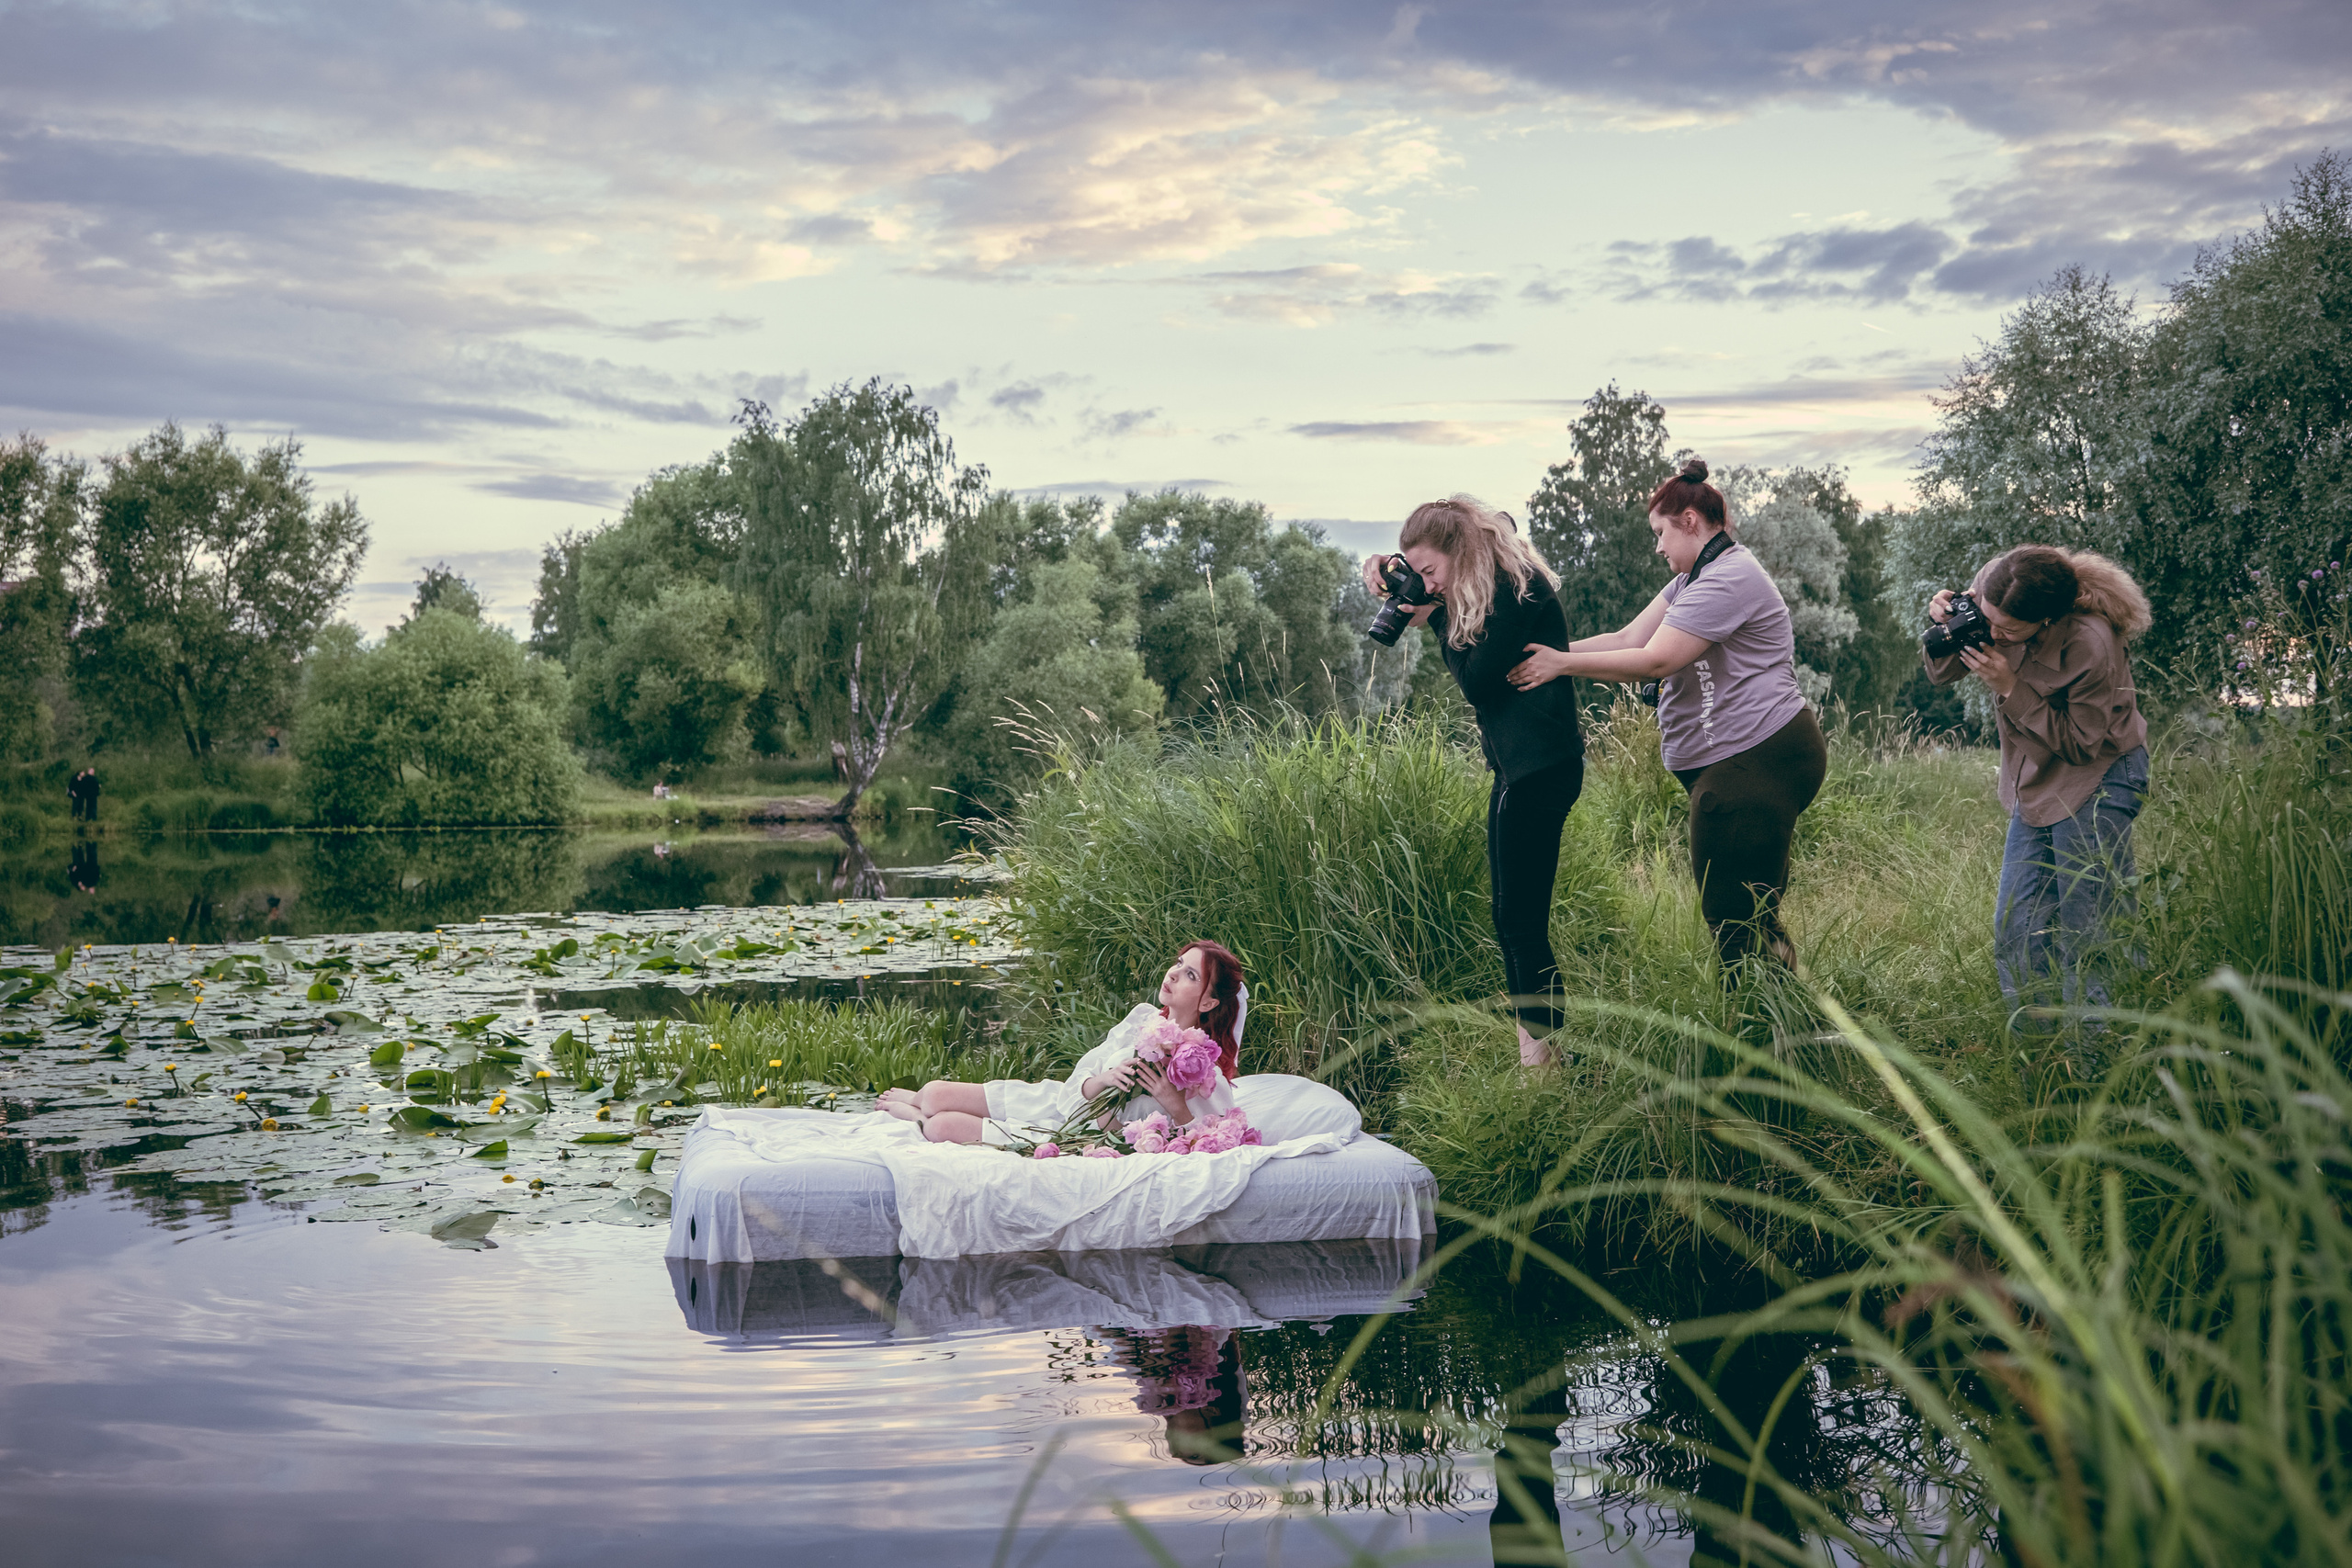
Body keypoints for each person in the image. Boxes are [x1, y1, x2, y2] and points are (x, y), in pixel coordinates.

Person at [1508, 458, 1827, 973]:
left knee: (1734, 917)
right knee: (1747, 913)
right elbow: (1628, 640)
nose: (1657, 547)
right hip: (1738, 760)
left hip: (1757, 756)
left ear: (1690, 522)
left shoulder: (1729, 578)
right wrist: (1543, 652)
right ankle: (1789, 1024)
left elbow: (1656, 660)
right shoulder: (1691, 582)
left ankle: (1767, 1036)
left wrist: (1561, 664)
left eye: (1660, 532)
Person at [1362, 496, 1583, 1066]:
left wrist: (1432, 614)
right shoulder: (1491, 582)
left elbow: (1480, 682)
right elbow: (1483, 669)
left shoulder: (1515, 586)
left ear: (1461, 551)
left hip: (1538, 769)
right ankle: (1540, 1055)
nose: (1428, 584)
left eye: (1432, 571)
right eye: (1420, 574)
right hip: (1522, 767)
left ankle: (1545, 1065)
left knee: (1519, 921)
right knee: (1512, 918)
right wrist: (1405, 583)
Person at [1924, 546, 2151, 1046]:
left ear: (2046, 620)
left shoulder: (2091, 642)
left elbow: (2081, 743)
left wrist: (2010, 686)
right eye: (1989, 621)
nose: (1996, 635)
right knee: (2016, 930)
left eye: (2009, 631)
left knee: (2090, 936)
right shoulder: (1993, 591)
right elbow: (1942, 672)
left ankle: (2103, 1069)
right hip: (2036, 783)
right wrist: (1947, 625)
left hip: (2099, 778)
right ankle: (2042, 1066)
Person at [878, 941, 1246, 1144]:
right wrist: (1102, 1080)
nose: (1174, 973)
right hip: (1061, 1101)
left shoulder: (1202, 1071)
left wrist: (1172, 1102)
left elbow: (1209, 1141)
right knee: (933, 1093)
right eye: (1178, 964)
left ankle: (916, 1118)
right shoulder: (1142, 1018)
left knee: (941, 1127)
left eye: (1190, 975)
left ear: (1209, 1001)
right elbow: (1082, 1075)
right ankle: (919, 1104)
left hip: (1079, 1134)